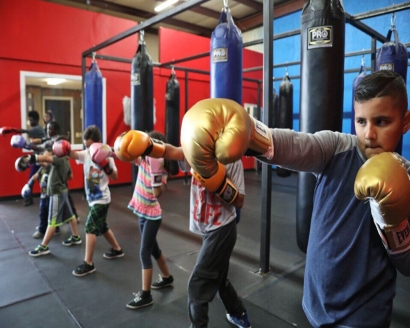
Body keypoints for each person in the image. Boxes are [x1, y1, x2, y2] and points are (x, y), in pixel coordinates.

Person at [141, 71, 409, 327]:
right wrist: (247, 130)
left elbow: (406, 265)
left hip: (364, 316)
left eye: (381, 121)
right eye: (361, 121)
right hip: (316, 304)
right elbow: (294, 145)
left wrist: (392, 220)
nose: (369, 134)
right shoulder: (337, 148)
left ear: (406, 121)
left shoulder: (406, 180)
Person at [113, 129, 251, 327]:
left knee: (197, 287)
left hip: (222, 230)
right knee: (219, 279)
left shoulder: (231, 160)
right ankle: (238, 312)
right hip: (208, 230)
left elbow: (239, 201)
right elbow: (169, 151)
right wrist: (148, 145)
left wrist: (219, 184)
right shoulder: (197, 152)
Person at [53, 125, 124, 277]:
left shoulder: (107, 155)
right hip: (92, 199)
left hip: (102, 199)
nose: (89, 149)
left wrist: (106, 167)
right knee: (102, 226)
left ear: (98, 142)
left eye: (91, 146)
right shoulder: (86, 153)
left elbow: (115, 176)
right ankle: (117, 249)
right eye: (86, 146)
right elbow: (73, 154)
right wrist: (63, 148)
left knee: (90, 227)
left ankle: (88, 263)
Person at [126, 131, 174, 310]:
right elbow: (127, 156)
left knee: (144, 252)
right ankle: (167, 277)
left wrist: (156, 173)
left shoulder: (161, 168)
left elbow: (157, 193)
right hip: (141, 212)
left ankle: (146, 295)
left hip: (153, 216)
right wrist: (116, 148)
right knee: (155, 250)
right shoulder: (143, 160)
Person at [15, 137, 82, 257]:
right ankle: (76, 237)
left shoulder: (58, 159)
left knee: (52, 221)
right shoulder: (65, 160)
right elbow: (68, 175)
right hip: (63, 191)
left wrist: (30, 158)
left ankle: (44, 246)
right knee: (70, 216)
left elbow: (46, 158)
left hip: (56, 193)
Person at [17, 110, 46, 206]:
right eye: (29, 119)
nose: (30, 121)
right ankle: (29, 198)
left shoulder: (38, 129)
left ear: (36, 120)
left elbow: (26, 131)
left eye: (31, 120)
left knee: (41, 179)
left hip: (42, 158)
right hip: (36, 158)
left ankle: (45, 197)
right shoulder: (36, 129)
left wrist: (14, 130)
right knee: (32, 178)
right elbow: (32, 144)